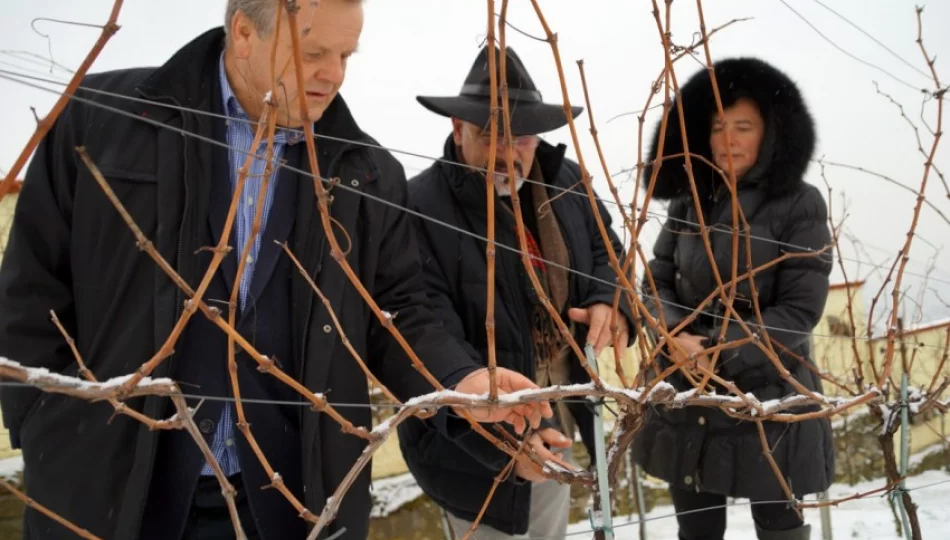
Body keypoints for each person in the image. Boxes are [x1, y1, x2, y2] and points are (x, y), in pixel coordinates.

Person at [0, 2, 555, 539]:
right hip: (110, 493)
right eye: (312, 52)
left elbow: (400, 312)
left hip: (292, 501)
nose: (333, 74)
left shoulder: (364, 173)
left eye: (346, 55)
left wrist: (461, 382)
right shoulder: (103, 119)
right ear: (245, 33)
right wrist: (46, 429)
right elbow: (31, 290)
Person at [397, 44, 636, 539]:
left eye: (522, 137)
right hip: (469, 438)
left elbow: (606, 251)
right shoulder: (419, 207)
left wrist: (607, 301)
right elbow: (425, 330)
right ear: (457, 130)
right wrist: (499, 438)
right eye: (491, 136)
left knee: (546, 528)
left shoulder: (565, 180)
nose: (510, 153)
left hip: (562, 410)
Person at [631, 57, 835, 540]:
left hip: (768, 390)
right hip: (687, 386)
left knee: (778, 525)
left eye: (744, 126)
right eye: (719, 127)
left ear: (771, 133)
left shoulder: (800, 203)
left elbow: (799, 309)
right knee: (696, 528)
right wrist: (676, 335)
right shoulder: (689, 200)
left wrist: (719, 349)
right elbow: (654, 280)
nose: (729, 140)